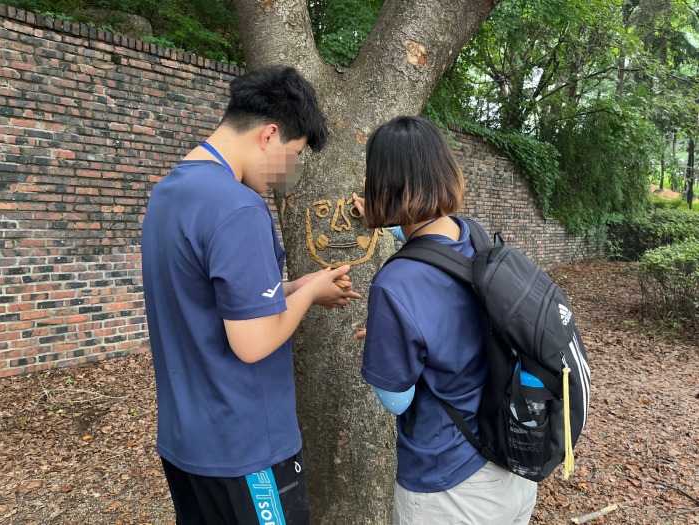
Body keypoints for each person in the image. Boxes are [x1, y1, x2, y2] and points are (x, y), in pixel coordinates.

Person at [141, 65, 361, 525]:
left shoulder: (169, 194)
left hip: (186, 442)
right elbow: (252, 341)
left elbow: (208, 298)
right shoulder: (237, 207)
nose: (290, 172)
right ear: (269, 135)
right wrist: (309, 294)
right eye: (294, 155)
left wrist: (295, 288)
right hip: (245, 448)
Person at [352, 115, 537, 524]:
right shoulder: (474, 235)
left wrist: (383, 341)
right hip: (512, 466)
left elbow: (395, 397)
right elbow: (434, 247)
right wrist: (393, 224)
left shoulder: (395, 284)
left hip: (450, 488)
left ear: (382, 182)